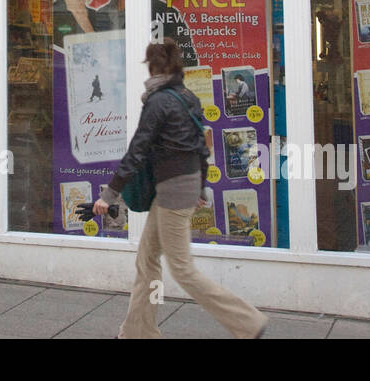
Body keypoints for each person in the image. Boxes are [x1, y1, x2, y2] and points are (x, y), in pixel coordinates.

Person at [94, 41, 267, 339]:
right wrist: (200, 186)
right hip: (176, 188)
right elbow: (202, 145)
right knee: (147, 259)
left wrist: (109, 195)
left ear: (152, 67)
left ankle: (248, 322)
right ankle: (139, 332)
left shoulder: (159, 101)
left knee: (183, 270)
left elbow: (137, 149)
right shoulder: (186, 96)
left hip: (173, 192)